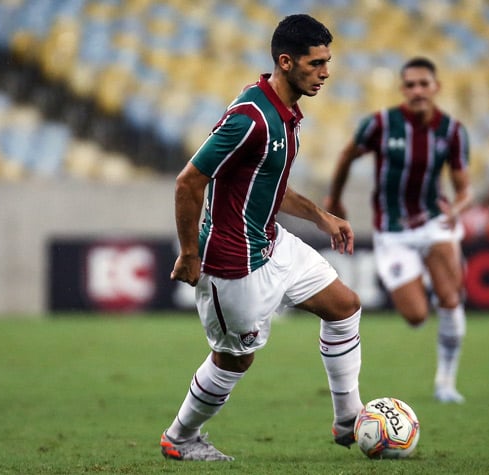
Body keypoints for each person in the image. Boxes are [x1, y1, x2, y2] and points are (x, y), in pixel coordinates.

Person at [161, 14, 363, 462]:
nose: (326, 72)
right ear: (286, 62)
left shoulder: (285, 112)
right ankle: (180, 437)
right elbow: (188, 182)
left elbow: (267, 182)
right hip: (233, 263)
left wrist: (321, 216)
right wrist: (190, 253)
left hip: (272, 243)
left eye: (328, 62)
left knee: (345, 306)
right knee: (235, 360)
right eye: (316, 64)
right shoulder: (250, 117)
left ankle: (349, 422)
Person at [325, 57, 471, 404]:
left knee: (451, 301)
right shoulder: (380, 124)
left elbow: (464, 187)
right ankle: (427, 277)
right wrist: (335, 197)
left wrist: (459, 208)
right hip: (392, 231)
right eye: (410, 85)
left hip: (434, 222)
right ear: (403, 89)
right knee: (416, 315)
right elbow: (347, 155)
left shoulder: (451, 131)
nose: (417, 90)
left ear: (436, 87)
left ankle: (446, 384)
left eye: (424, 83)